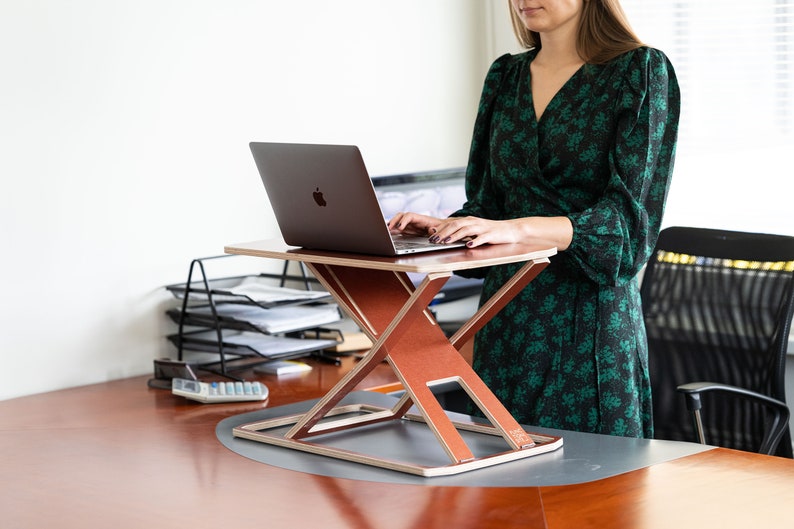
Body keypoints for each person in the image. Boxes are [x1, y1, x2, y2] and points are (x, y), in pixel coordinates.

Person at [388, 0, 680, 438]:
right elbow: (489, 204)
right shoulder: (504, 76)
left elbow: (626, 229)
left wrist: (519, 227)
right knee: (499, 489)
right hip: (505, 323)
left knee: (590, 496)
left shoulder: (638, 71)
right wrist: (440, 227)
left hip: (587, 329)